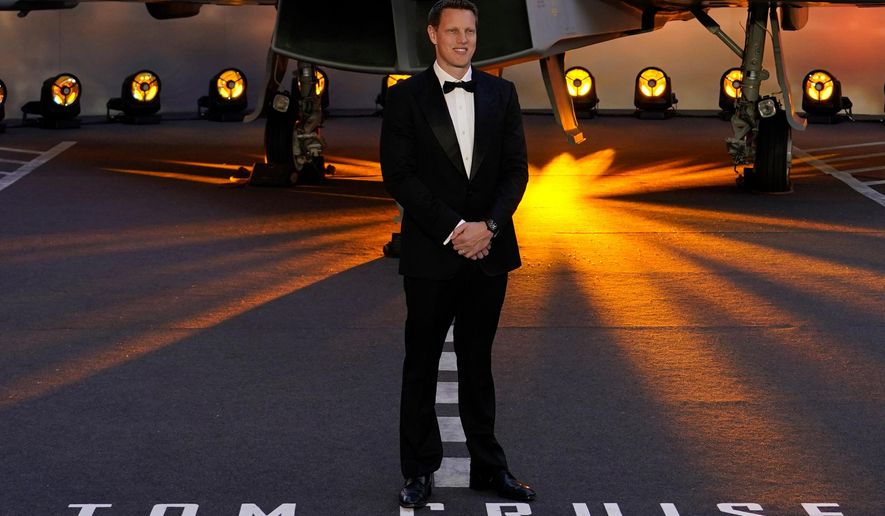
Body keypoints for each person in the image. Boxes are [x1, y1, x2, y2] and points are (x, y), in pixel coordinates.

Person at [380, 0, 534, 509]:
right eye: (453, 31)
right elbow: (399, 175)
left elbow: (516, 172)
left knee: (478, 362)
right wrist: (454, 229)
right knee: (421, 364)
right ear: (432, 34)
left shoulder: (502, 93)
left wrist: (487, 226)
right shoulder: (405, 98)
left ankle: (491, 468)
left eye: (470, 31)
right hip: (432, 253)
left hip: (489, 251)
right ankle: (419, 471)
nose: (463, 40)